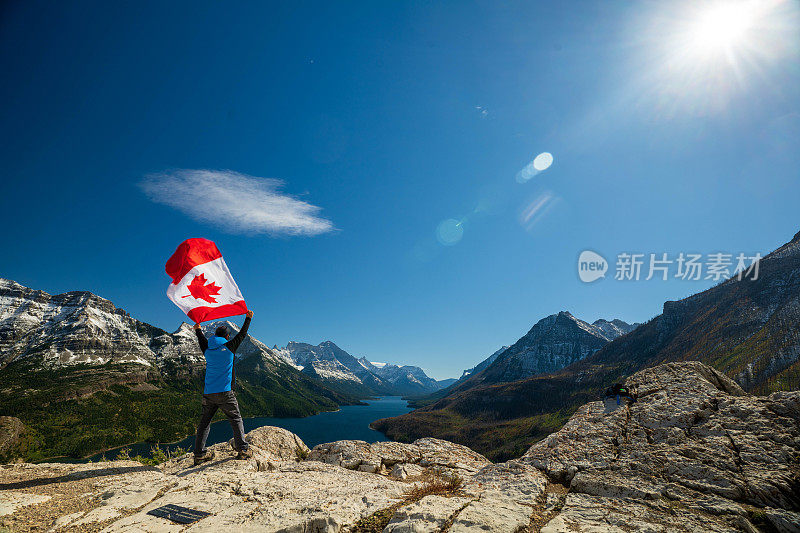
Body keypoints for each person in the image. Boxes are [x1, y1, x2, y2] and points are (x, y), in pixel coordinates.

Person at [192, 309, 254, 466]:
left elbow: (200, 338)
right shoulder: (230, 347)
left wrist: (198, 329)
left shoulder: (207, 348)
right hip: (226, 392)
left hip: (209, 393)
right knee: (235, 418)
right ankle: (243, 450)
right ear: (227, 336)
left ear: (214, 336)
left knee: (204, 423)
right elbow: (242, 334)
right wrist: (248, 318)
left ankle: (199, 455)